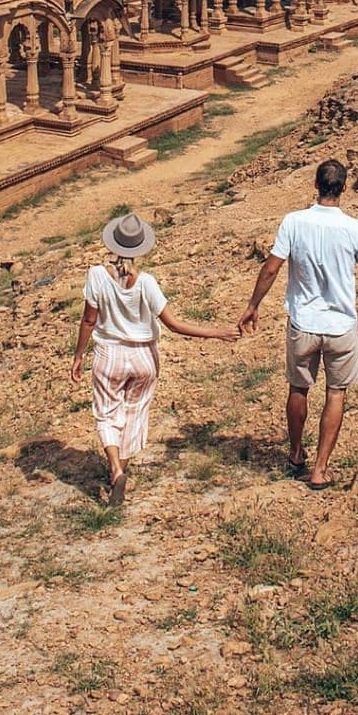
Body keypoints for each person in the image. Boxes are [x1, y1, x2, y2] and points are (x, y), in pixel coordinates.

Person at [72, 212, 238, 506]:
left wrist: (78, 357)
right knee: (135, 412)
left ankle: (115, 468)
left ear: (113, 244)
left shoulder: (96, 275)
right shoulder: (146, 282)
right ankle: (120, 470)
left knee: (107, 413)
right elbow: (174, 325)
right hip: (144, 357)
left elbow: (88, 320)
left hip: (109, 355)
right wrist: (217, 333)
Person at [238, 160, 358, 490]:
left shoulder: (294, 222)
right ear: (343, 189)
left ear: (315, 186)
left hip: (303, 322)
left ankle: (294, 453)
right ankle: (320, 469)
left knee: (298, 387)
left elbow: (272, 269)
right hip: (340, 325)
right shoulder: (355, 229)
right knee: (336, 393)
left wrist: (253, 305)